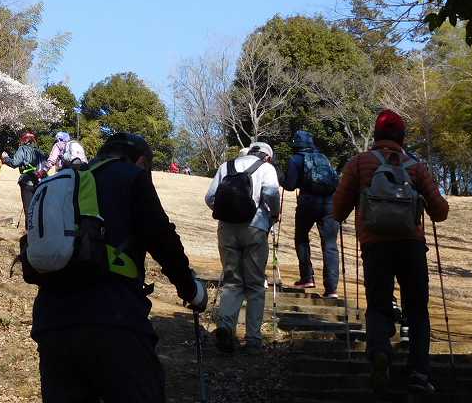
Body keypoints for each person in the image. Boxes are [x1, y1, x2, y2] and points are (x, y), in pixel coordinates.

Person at [28, 132, 207, 403]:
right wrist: (190, 290)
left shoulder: (64, 181)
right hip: (114, 317)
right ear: (140, 160)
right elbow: (162, 238)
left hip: (51, 322)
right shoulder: (131, 177)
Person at [333, 110, 449, 395]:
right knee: (417, 310)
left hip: (375, 246)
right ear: (402, 136)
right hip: (411, 246)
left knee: (379, 305)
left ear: (376, 135)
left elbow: (337, 210)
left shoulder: (359, 163)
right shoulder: (416, 166)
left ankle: (380, 353)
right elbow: (441, 211)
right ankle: (419, 374)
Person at [205, 141, 280, 353]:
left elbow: (210, 198)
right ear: (267, 156)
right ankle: (253, 339)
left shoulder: (227, 166)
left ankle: (226, 329)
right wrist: (272, 215)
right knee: (255, 285)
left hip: (226, 230)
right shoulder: (266, 168)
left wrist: (226, 212)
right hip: (255, 228)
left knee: (231, 281)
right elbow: (272, 195)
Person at [281, 129, 340, 297]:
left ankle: (307, 277)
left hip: (308, 203)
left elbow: (290, 185)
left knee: (301, 238)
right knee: (329, 244)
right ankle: (331, 289)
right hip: (330, 204)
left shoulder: (295, 159)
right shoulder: (323, 158)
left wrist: (281, 178)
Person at [3, 131, 46, 218]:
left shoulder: (22, 149)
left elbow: (15, 163)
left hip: (27, 181)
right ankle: (38, 230)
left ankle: (29, 230)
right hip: (40, 182)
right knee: (38, 209)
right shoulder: (40, 152)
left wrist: (6, 158)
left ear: (24, 140)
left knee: (28, 209)